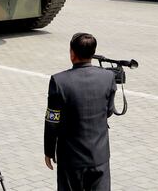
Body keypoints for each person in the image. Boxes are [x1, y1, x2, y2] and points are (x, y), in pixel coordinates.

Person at [44, 32, 116, 191]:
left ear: (72, 53)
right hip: (99, 156)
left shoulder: (59, 81)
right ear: (93, 53)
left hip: (71, 159)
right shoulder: (108, 77)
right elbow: (109, 111)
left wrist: (49, 151)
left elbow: (52, 121)